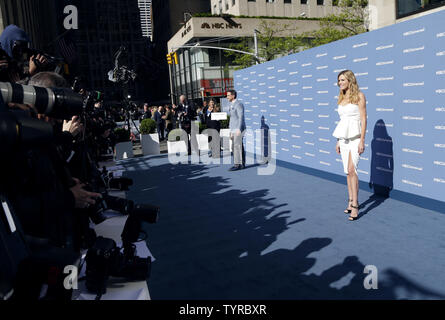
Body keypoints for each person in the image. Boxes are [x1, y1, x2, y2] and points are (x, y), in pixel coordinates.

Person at [332, 70, 367, 221]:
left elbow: (364, 119)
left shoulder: (359, 96)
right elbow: (343, 121)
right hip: (344, 138)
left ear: (350, 80)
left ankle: (355, 205)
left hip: (355, 138)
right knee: (347, 171)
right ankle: (351, 200)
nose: (340, 83)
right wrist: (338, 140)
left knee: (353, 170)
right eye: (339, 81)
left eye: (342, 80)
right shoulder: (341, 97)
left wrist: (362, 140)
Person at [227, 90, 246, 171]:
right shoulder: (231, 104)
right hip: (233, 129)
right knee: (236, 147)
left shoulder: (238, 104)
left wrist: (239, 129)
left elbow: (240, 117)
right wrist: (231, 131)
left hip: (238, 129)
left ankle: (237, 164)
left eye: (228, 95)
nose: (227, 97)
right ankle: (240, 164)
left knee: (237, 147)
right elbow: (232, 119)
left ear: (233, 96)